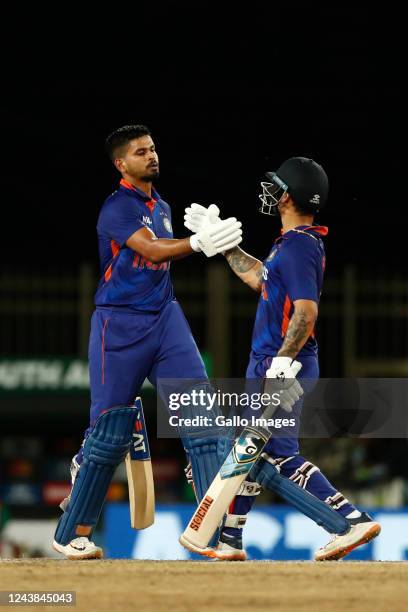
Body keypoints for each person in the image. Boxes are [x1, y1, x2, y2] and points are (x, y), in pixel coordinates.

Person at [52, 124, 243, 559]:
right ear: (122, 163)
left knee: (204, 421)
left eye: (153, 148)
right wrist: (197, 243)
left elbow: (163, 249)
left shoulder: (162, 205)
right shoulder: (115, 208)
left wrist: (198, 236)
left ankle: (209, 535)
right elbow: (153, 251)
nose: (152, 156)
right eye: (141, 152)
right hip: (118, 328)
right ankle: (72, 533)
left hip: (165, 318)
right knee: (109, 435)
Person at [183, 157, 381, 561]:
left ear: (287, 196)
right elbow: (261, 279)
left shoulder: (299, 247)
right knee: (253, 449)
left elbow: (306, 312)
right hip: (278, 361)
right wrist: (225, 247)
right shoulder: (293, 244)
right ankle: (230, 539)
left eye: (275, 186)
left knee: (277, 453)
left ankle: (350, 519)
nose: (268, 193)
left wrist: (282, 361)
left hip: (282, 363)